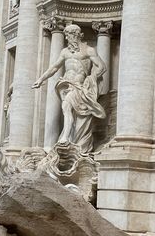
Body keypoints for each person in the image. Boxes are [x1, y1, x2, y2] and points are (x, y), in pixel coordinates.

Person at [32, 24, 106, 153]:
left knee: (68, 108)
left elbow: (101, 66)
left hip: (79, 86)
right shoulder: (65, 52)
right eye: (65, 35)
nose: (66, 38)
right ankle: (67, 137)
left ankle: (67, 138)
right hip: (66, 84)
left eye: (68, 35)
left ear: (76, 35)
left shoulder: (89, 50)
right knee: (67, 108)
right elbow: (54, 67)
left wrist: (91, 78)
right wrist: (41, 79)